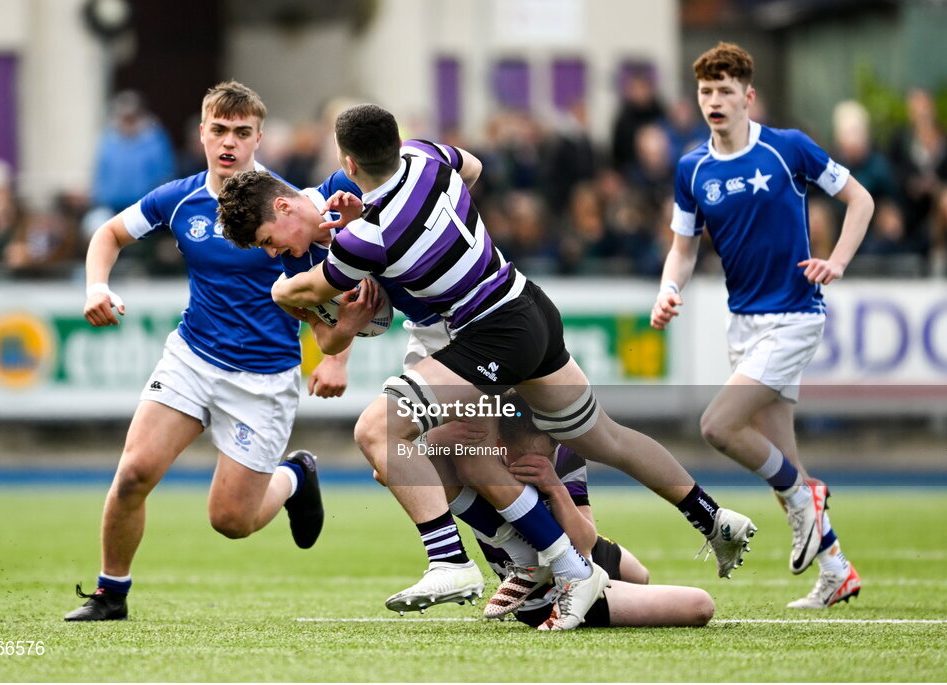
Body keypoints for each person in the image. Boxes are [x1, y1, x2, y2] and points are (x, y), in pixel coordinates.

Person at [219, 105, 758, 630]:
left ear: (345, 166)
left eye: (269, 242)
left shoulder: (365, 236)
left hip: (480, 334)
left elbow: (319, 297)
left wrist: (289, 293)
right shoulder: (424, 157)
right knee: (595, 438)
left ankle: (495, 566)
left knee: (408, 442)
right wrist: (424, 229)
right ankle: (710, 518)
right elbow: (470, 170)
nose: (275, 254)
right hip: (524, 303)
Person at [65, 81, 355, 622]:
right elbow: (107, 234)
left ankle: (295, 477)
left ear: (258, 139)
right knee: (133, 473)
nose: (228, 143)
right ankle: (110, 594)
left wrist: (335, 358)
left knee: (231, 520)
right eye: (219, 130)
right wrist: (96, 287)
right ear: (201, 133)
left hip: (263, 379)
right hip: (192, 359)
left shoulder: (293, 207)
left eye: (241, 133)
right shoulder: (180, 199)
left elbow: (338, 289)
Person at [652, 43, 872, 609]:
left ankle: (807, 496)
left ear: (748, 96)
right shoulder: (691, 168)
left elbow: (861, 199)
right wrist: (669, 289)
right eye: (706, 91)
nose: (715, 100)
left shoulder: (787, 148)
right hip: (742, 323)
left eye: (726, 90)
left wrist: (838, 261)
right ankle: (836, 571)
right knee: (780, 454)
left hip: (795, 316)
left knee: (718, 427)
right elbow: (682, 249)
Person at [465, 392, 715, 629]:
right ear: (499, 444)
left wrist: (555, 487)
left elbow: (585, 543)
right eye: (524, 459)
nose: (539, 464)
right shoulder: (479, 466)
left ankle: (612, 591)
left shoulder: (564, 452)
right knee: (699, 605)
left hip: (578, 551)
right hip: (545, 592)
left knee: (639, 575)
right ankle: (584, 601)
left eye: (547, 454)